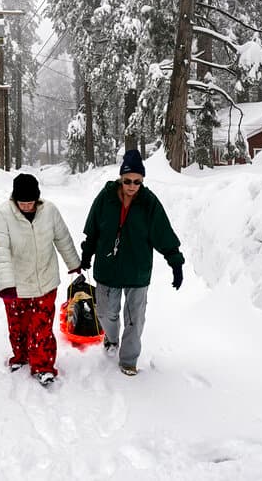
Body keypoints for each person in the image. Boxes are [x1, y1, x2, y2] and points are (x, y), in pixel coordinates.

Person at [80, 149, 183, 376]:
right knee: (107, 313)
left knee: (135, 319)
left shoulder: (149, 203)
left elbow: (163, 234)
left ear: (142, 181)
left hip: (137, 271)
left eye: (137, 181)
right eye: (128, 180)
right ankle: (111, 338)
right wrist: (86, 254)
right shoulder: (105, 198)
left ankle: (128, 359)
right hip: (108, 269)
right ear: (120, 178)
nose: (132, 186)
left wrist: (175, 263)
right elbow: (92, 230)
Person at [0, 173, 81, 386]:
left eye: (30, 202)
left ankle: (43, 366)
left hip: (46, 281)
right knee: (18, 326)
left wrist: (74, 264)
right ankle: (21, 356)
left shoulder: (49, 211)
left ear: (37, 199)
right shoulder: (4, 215)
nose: (26, 206)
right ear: (15, 199)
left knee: (41, 327)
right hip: (17, 285)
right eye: (22, 202)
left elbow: (62, 238)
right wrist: (6, 285)